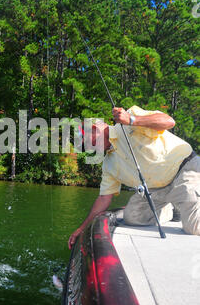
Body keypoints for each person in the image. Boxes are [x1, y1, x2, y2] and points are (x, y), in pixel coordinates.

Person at [68, 106, 200, 249]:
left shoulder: (130, 118)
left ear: (95, 128)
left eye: (86, 142)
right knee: (132, 217)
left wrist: (132, 120)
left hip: (185, 169)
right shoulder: (108, 165)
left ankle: (182, 203)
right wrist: (81, 229)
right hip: (158, 189)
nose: (87, 148)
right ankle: (173, 209)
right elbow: (104, 198)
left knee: (194, 227)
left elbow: (168, 121)